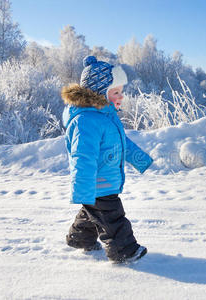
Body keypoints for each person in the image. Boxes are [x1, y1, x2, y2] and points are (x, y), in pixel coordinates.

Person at [61, 55, 153, 263]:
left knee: (92, 213)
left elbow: (122, 144)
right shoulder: (86, 121)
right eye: (116, 92)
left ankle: (80, 239)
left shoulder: (106, 117)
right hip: (98, 184)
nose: (121, 96)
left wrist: (140, 159)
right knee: (112, 217)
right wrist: (83, 189)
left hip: (103, 182)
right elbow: (82, 158)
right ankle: (124, 250)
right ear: (100, 92)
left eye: (121, 91)